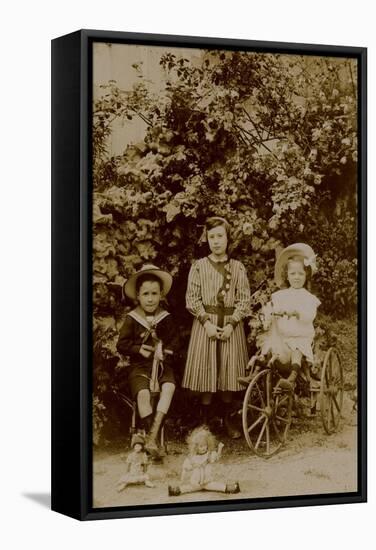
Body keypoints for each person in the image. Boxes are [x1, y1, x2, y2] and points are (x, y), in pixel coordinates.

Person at [182, 216, 251, 438]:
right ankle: (205, 424)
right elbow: (192, 299)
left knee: (228, 376)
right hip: (206, 327)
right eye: (211, 237)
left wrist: (232, 324)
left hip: (231, 326)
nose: (216, 241)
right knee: (207, 376)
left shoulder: (237, 268)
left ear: (228, 238)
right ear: (207, 240)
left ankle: (227, 420)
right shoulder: (199, 267)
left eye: (220, 236)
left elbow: (244, 300)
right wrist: (206, 323)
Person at [238, 243, 320, 391]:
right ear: (287, 276)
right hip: (282, 337)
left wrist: (297, 312)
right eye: (293, 274)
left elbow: (310, 315)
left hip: (299, 336)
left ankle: (292, 378)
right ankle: (254, 374)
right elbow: (271, 309)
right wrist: (265, 316)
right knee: (269, 344)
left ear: (306, 275)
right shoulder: (280, 296)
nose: (296, 277)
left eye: (300, 274)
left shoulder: (308, 298)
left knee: (297, 348)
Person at [117, 264, 176, 459]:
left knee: (169, 387)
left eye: (154, 293)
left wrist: (165, 351)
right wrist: (137, 349)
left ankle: (151, 437)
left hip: (161, 366)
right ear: (138, 296)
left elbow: (175, 340)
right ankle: (152, 440)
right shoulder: (132, 319)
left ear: (161, 295)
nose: (150, 298)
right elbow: (122, 344)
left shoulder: (166, 318)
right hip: (139, 367)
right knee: (143, 394)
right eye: (145, 294)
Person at [168, 426, 240, 496]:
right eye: (201, 446)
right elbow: (186, 467)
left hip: (207, 482)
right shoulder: (192, 457)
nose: (203, 448)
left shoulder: (209, 455)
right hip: (196, 483)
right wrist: (183, 478)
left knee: (217, 485)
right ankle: (176, 490)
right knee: (188, 487)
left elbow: (216, 458)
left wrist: (219, 449)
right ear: (196, 446)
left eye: (205, 445)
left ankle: (230, 488)